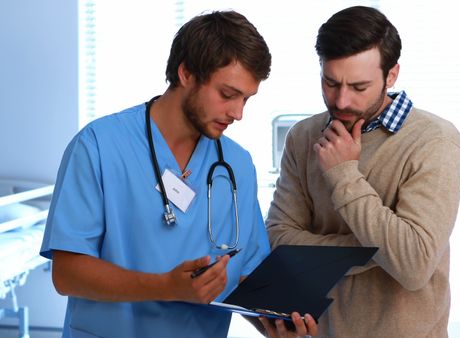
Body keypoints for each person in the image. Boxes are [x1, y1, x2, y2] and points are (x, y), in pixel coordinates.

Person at [40, 10, 316, 338]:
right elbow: (67, 273)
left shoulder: (237, 165)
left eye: (246, 99)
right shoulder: (98, 146)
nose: (238, 113)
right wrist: (166, 287)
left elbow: (246, 277)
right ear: (186, 73)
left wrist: (274, 325)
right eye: (227, 95)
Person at [266, 5, 460, 337]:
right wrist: (377, 253)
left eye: (358, 87)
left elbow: (414, 265)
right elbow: (280, 243)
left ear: (392, 75)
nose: (341, 100)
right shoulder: (302, 137)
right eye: (331, 83)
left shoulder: (436, 141)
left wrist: (343, 174)